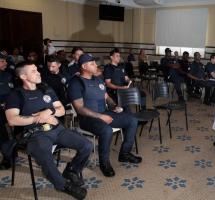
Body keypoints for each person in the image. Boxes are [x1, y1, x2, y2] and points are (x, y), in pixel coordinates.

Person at [5, 61, 92, 200]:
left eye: (37, 70)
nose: (38, 72)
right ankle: (63, 185)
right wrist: (37, 119)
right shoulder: (16, 94)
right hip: (35, 135)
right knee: (45, 157)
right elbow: (12, 119)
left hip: (57, 129)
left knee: (87, 145)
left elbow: (61, 110)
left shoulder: (46, 89)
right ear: (23, 76)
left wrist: (49, 111)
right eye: (33, 71)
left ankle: (71, 170)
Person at [68, 53, 142, 178]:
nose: (96, 65)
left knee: (132, 120)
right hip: (88, 119)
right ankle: (104, 163)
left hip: (104, 112)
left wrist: (114, 106)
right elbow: (79, 108)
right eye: (92, 64)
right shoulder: (76, 82)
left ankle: (125, 154)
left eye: (95, 62)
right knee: (106, 130)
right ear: (84, 66)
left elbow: (106, 96)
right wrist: (100, 117)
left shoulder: (97, 79)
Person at [0, 53, 14, 169]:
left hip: (9, 108)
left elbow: (13, 92)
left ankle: (9, 155)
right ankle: (7, 156)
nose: (6, 63)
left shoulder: (8, 75)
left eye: (5, 61)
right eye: (2, 61)